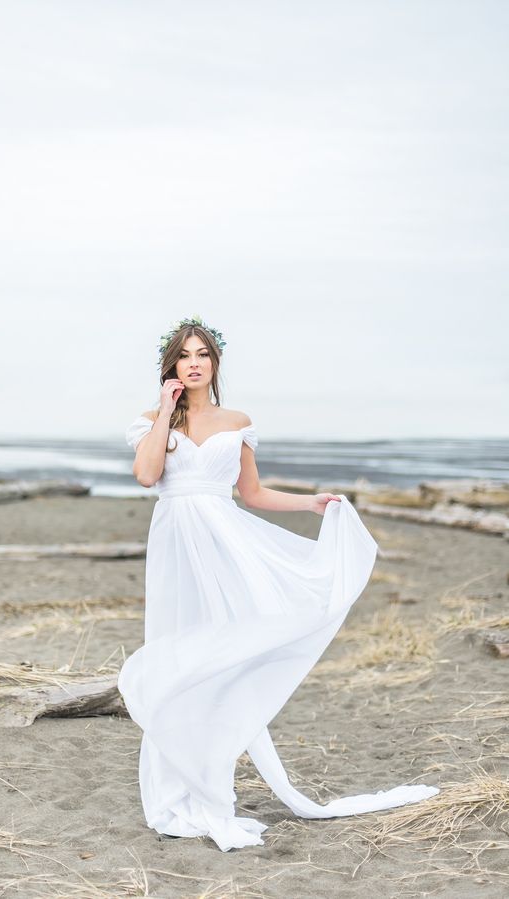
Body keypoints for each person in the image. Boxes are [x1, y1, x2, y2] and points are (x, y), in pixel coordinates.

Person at [118, 315, 439, 852]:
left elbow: (253, 494)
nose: (193, 363)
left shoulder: (237, 420)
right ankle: (178, 782)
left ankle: (213, 778)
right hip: (175, 543)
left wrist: (312, 503)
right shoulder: (154, 420)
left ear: (214, 363)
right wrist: (163, 413)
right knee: (179, 648)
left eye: (202, 354)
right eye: (184, 355)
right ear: (171, 364)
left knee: (232, 648)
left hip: (227, 543)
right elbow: (148, 477)